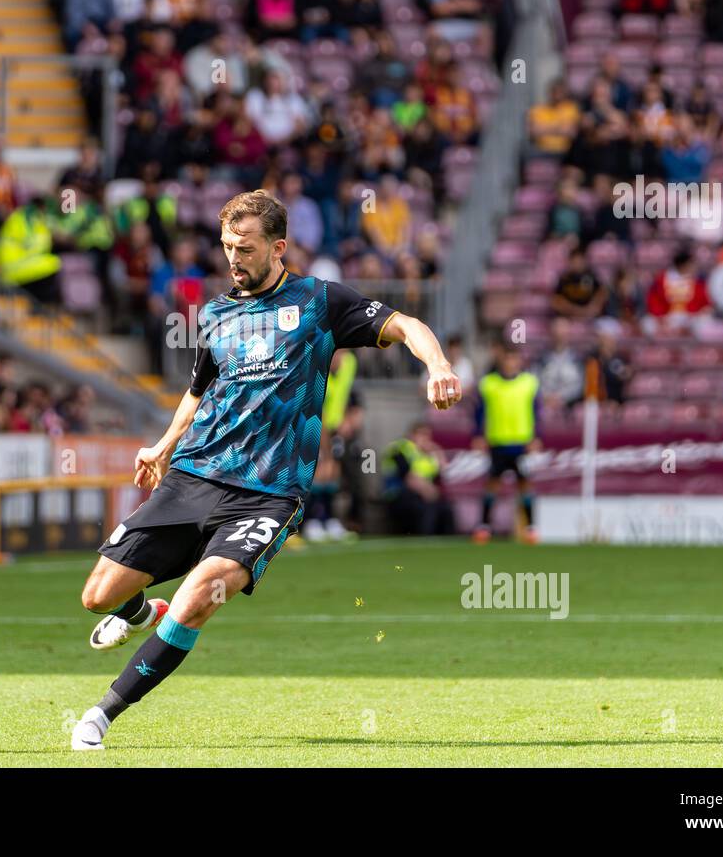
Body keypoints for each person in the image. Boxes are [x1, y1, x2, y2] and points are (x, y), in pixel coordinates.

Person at [68, 190, 462, 751]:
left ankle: (102, 714)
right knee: (98, 595)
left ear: (277, 247)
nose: (233, 258)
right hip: (194, 476)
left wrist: (439, 365)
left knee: (202, 594)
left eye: (245, 248)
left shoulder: (319, 301)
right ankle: (138, 610)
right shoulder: (216, 314)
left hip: (268, 494)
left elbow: (407, 324)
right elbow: (198, 391)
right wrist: (160, 446)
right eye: (227, 246)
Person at [472, 346, 541, 545]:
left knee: (525, 485)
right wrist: (478, 435)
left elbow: (537, 412)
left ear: (519, 361)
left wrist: (537, 436)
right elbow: (479, 412)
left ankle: (530, 529)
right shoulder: (489, 383)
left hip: (521, 443)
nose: (511, 363)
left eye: (514, 359)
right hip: (498, 441)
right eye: (507, 358)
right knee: (492, 484)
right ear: (502, 360)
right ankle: (484, 527)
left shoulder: (529, 383)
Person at [382, 422, 454, 536]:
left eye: (427, 436)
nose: (425, 439)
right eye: (422, 435)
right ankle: (424, 540)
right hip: (398, 493)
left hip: (422, 493)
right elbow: (408, 477)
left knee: (446, 508)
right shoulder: (401, 448)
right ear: (412, 435)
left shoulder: (427, 455)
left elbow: (444, 473)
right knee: (426, 508)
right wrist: (429, 491)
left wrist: (438, 453)